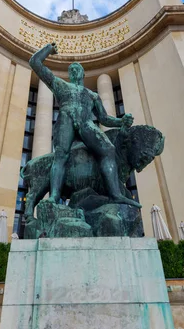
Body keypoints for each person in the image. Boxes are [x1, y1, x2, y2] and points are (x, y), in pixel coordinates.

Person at [29, 42, 141, 208]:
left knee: (108, 150)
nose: (74, 70)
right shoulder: (61, 85)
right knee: (60, 156)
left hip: (85, 124)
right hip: (66, 120)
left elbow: (104, 119)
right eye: (71, 69)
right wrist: (48, 50)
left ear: (82, 74)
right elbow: (35, 63)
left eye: (77, 68)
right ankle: (54, 196)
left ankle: (115, 194)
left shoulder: (92, 95)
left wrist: (121, 121)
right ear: (70, 75)